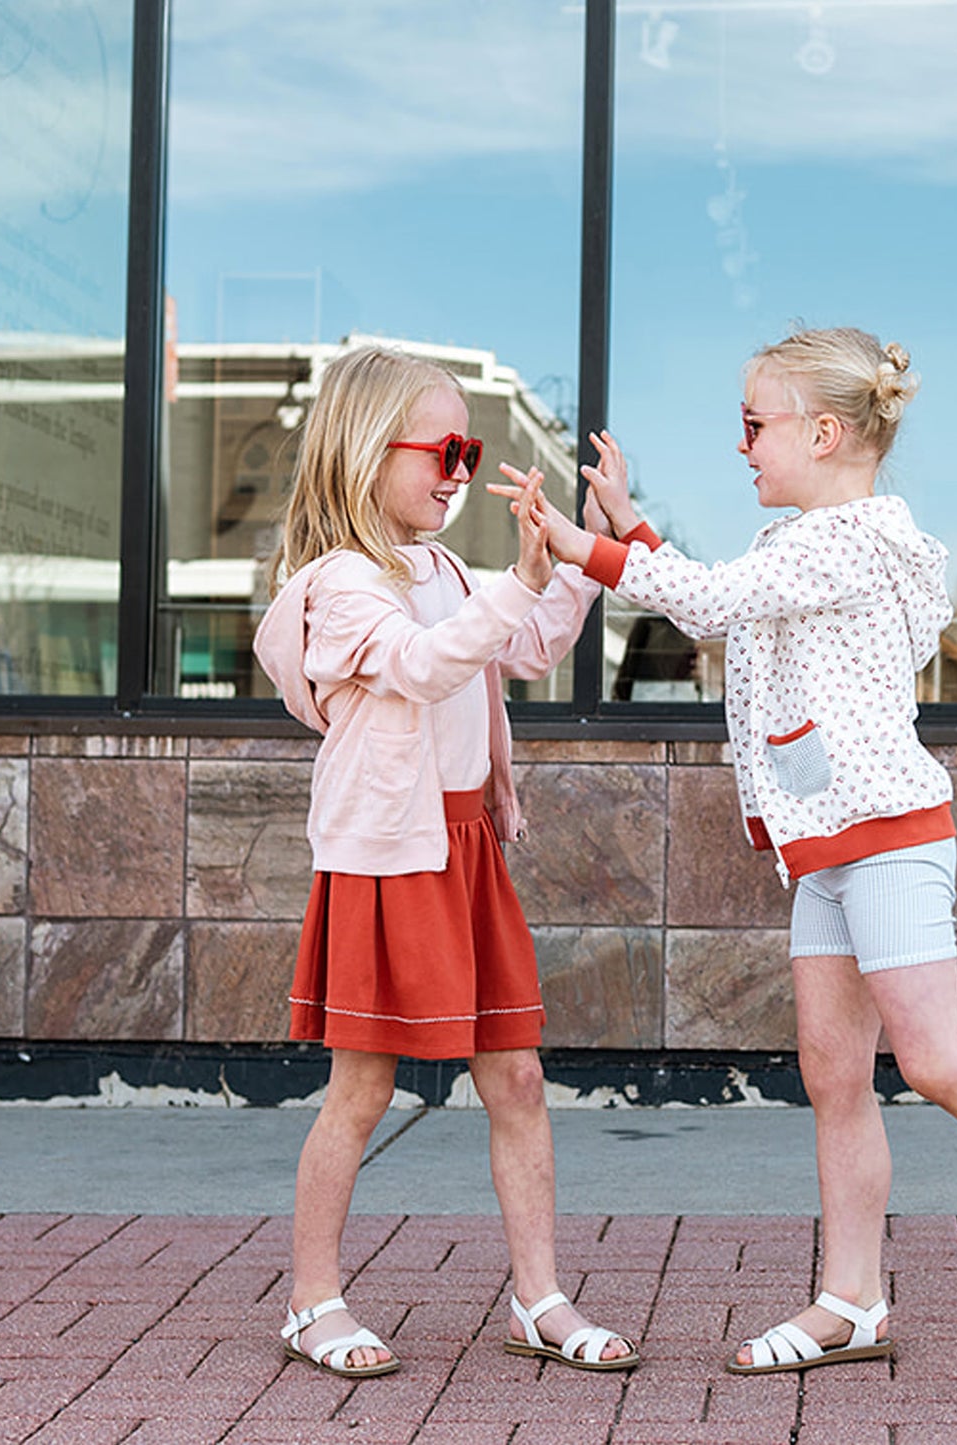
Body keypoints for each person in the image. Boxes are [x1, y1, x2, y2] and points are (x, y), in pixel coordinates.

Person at [494, 326, 957, 1395]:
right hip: (826, 851)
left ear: (824, 430)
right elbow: (725, 606)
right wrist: (633, 526)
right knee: (832, 1071)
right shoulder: (805, 544)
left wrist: (586, 550)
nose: (743, 446)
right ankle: (850, 1297)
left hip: (886, 839)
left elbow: (704, 601)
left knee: (937, 1060)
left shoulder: (851, 539)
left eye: (753, 425)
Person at [253, 343, 640, 1380]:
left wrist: (587, 544)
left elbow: (530, 642)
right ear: (366, 450)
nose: (462, 469)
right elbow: (425, 665)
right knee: (361, 1090)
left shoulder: (452, 571)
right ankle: (311, 1298)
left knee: (515, 1075)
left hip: (463, 847)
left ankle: (538, 1296)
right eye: (445, 447)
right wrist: (516, 581)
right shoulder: (336, 585)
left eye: (470, 448)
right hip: (388, 858)